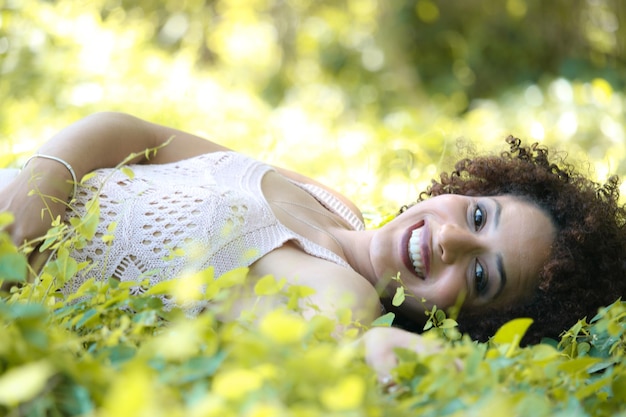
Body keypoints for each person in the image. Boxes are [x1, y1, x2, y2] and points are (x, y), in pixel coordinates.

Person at [1, 112, 624, 376]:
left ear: (476, 324)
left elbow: (345, 350)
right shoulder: (331, 202)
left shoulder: (343, 303)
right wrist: (46, 175)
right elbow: (143, 136)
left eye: (484, 277)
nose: (453, 238)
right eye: (481, 216)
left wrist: (386, 353)